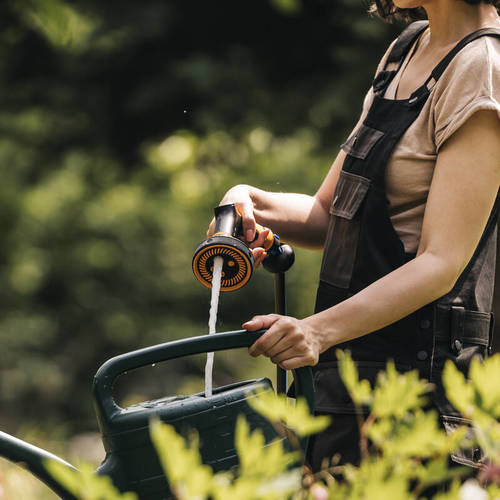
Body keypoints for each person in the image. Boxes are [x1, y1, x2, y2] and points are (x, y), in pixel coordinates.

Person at [209, 0, 500, 471]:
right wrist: (250, 200)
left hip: (420, 401)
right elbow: (330, 212)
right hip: (350, 382)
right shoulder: (408, 49)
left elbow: (442, 263)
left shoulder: (482, 67)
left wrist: (314, 332)